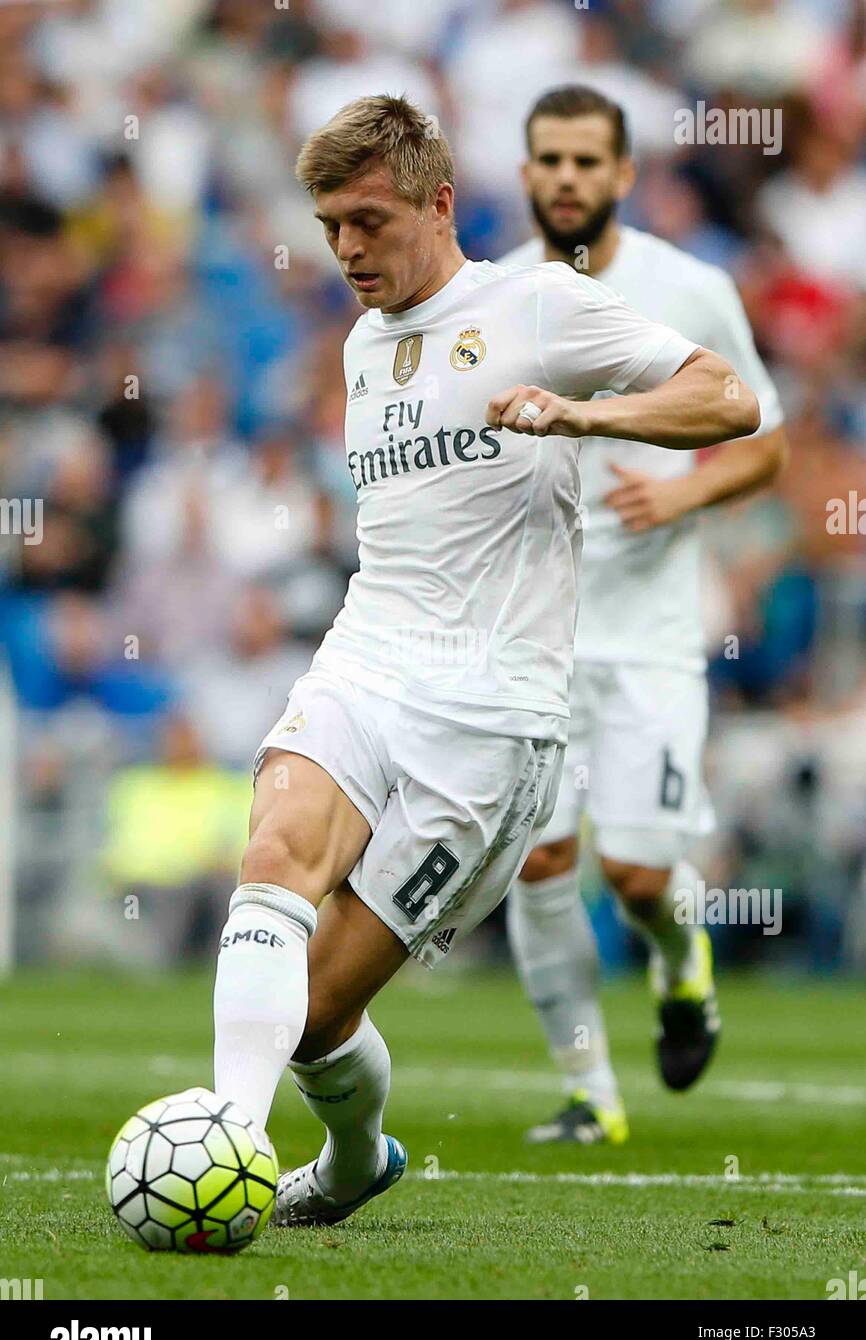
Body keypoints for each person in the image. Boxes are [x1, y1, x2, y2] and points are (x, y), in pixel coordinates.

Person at [211, 94, 760, 1227]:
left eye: (367, 220)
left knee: (316, 1014)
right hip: (367, 663)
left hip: (493, 719)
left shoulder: (538, 303)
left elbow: (730, 397)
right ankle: (226, 1139)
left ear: (439, 202)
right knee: (270, 854)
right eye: (328, 227)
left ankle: (355, 1155)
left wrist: (581, 417)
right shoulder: (363, 344)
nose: (347, 249)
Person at [499, 86, 787, 1145]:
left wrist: (680, 489)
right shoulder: (498, 295)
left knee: (631, 871)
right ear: (525, 172)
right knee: (536, 860)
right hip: (533, 637)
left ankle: (681, 965)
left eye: (585, 160)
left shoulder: (689, 287)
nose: (565, 178)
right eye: (547, 159)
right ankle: (590, 1095)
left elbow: (765, 441)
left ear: (623, 174)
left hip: (652, 637)